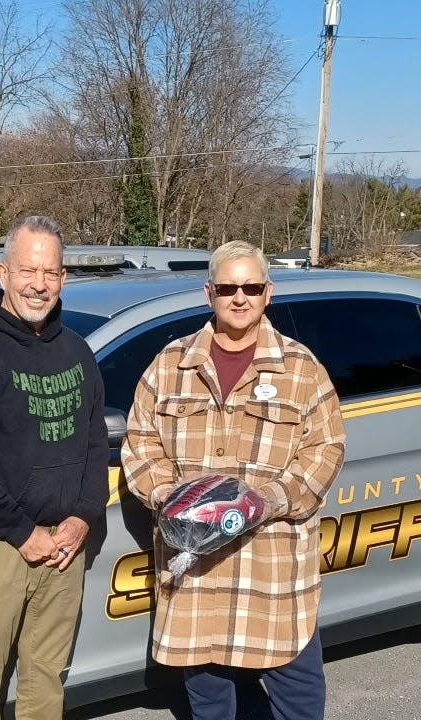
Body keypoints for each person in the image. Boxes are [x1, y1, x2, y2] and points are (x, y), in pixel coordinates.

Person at [121, 240, 345, 720]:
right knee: (209, 703)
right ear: (209, 293)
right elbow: (140, 445)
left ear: (268, 292)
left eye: (250, 287)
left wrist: (265, 500)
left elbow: (326, 450)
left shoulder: (302, 370)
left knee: (299, 700)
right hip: (197, 572)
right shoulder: (169, 366)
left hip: (272, 572)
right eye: (227, 287)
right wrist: (171, 497)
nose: (239, 297)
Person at [0, 215, 109, 720]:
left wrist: (82, 517)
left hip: (64, 548)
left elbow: (96, 444)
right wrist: (21, 532)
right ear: (4, 273)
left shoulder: (77, 353)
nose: (39, 284)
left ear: (63, 278)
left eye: (50, 272)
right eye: (28, 270)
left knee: (45, 680)